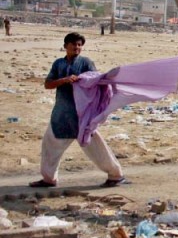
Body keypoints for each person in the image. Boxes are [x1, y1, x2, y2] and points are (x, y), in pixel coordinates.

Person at [29, 32, 128, 188]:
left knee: (95, 146)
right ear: (65, 46)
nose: (77, 47)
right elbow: (48, 84)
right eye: (74, 44)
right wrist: (65, 80)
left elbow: (97, 80)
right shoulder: (58, 64)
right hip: (61, 113)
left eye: (79, 45)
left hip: (82, 114)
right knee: (50, 144)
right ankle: (49, 179)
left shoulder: (86, 63)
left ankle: (116, 175)